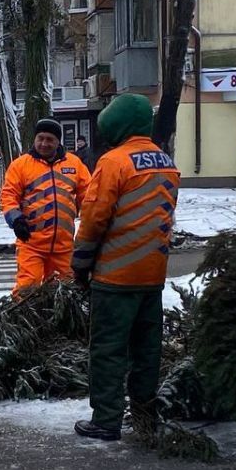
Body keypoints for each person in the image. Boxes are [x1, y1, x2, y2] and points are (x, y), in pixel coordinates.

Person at [71, 94, 180, 441]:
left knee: (108, 351)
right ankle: (145, 417)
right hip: (152, 276)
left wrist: (81, 264)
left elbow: (94, 218)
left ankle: (106, 419)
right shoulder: (165, 161)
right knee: (147, 351)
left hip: (115, 275)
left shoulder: (114, 162)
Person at [0, 118, 91, 299]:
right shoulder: (21, 165)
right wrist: (16, 219)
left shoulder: (74, 164)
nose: (44, 143)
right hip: (31, 243)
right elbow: (8, 196)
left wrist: (92, 222)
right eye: (40, 138)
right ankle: (24, 325)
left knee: (64, 294)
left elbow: (89, 195)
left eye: (50, 139)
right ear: (35, 139)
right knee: (27, 289)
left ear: (58, 142)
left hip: (63, 246)